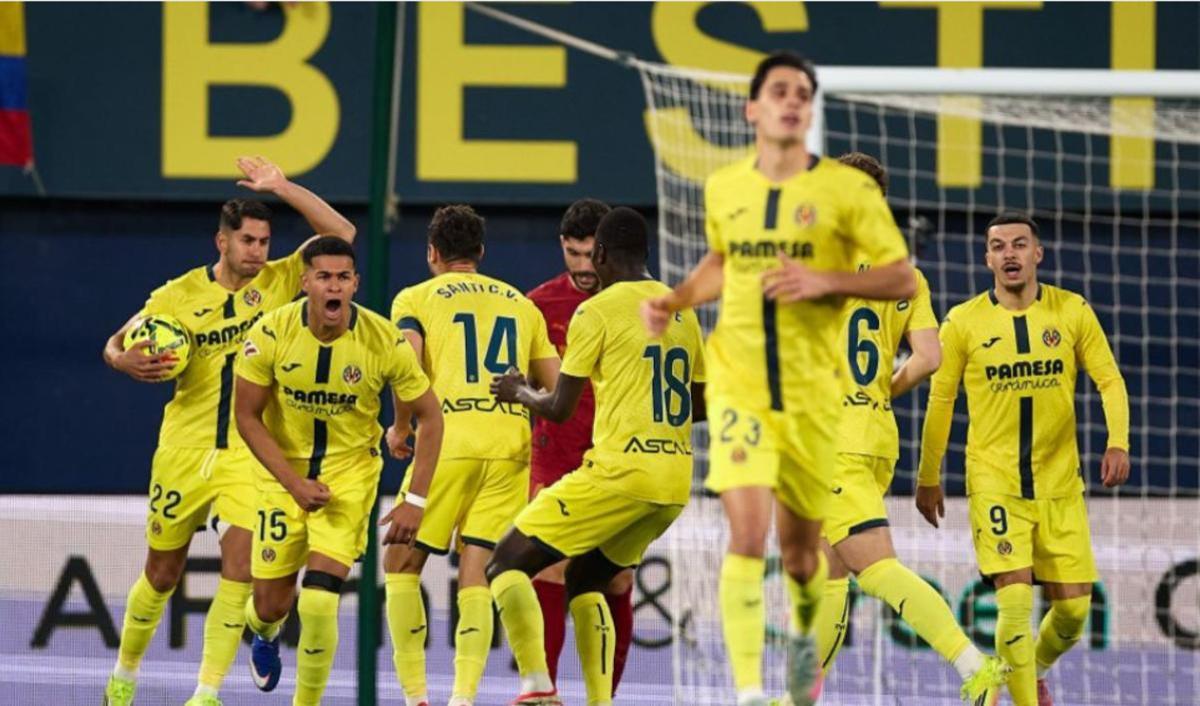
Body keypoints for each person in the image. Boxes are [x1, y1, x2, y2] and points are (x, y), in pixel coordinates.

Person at [641, 52, 916, 706]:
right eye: (779, 91)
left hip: (811, 402)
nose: (793, 102)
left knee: (802, 561)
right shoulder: (725, 187)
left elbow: (901, 277)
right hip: (742, 389)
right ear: (753, 108)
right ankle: (746, 691)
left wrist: (826, 280)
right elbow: (718, 264)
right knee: (744, 534)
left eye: (803, 93)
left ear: (810, 111)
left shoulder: (840, 201)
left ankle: (800, 664)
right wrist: (676, 300)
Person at [101, 157, 356, 706]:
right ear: (222, 241)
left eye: (265, 241)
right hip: (184, 449)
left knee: (238, 569)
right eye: (247, 240)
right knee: (162, 573)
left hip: (250, 453)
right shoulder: (176, 297)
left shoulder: (282, 279)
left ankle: (206, 692)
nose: (258, 251)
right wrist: (122, 362)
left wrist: (284, 187)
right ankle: (123, 677)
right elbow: (116, 342)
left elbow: (342, 236)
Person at [812, 152, 1009, 704]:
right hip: (876, 436)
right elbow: (928, 357)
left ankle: (975, 669)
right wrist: (880, 388)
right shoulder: (906, 275)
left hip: (831, 440)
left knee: (874, 569)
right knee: (826, 573)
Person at [488, 207, 706, 706]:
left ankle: (537, 688)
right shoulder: (682, 310)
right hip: (672, 484)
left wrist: (520, 391)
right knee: (588, 577)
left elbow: (559, 408)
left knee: (505, 564)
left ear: (603, 254)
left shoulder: (597, 310)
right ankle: (599, 702)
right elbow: (700, 404)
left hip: (618, 472)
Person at [917, 212, 1130, 706]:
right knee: (1013, 602)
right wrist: (929, 476)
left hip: (1060, 484)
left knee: (1074, 613)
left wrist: (1118, 441)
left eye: (1019, 244)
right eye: (998, 246)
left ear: (1038, 254)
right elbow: (940, 402)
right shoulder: (963, 322)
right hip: (995, 481)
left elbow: (1110, 380)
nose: (1009, 254)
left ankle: (1027, 671)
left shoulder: (1072, 311)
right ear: (987, 258)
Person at [234, 236, 444, 706]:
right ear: (305, 282)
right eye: (324, 277)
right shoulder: (269, 333)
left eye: (343, 277)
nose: (334, 286)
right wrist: (293, 484)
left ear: (355, 284)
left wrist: (415, 501)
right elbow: (246, 417)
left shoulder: (383, 340)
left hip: (349, 474)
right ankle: (262, 631)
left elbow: (432, 417)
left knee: (319, 600)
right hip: (281, 476)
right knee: (271, 605)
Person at [383, 205, 560, 706]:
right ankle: (464, 697)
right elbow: (558, 385)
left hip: (448, 444)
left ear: (432, 253)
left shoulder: (415, 297)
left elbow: (407, 364)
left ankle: (416, 697)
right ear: (480, 253)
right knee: (478, 569)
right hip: (509, 446)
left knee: (400, 561)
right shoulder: (521, 306)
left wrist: (400, 427)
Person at [525, 198, 636, 692]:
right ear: (562, 247)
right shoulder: (537, 306)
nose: (583, 265)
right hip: (556, 459)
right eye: (573, 252)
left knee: (614, 581)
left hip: (619, 460)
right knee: (548, 572)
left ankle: (603, 698)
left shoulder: (641, 306)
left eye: (592, 253)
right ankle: (543, 694)